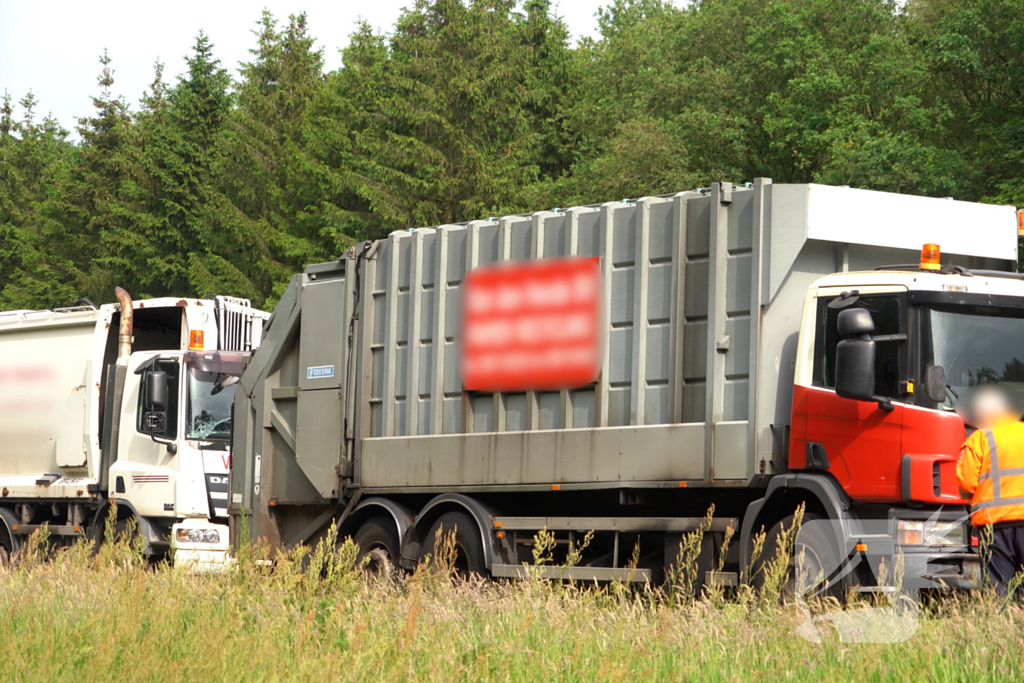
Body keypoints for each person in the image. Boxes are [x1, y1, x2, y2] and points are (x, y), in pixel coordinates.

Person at [957, 386, 1024, 594]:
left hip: (995, 525)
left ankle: (1003, 624)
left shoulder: (979, 439)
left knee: (999, 586)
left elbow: (966, 483)